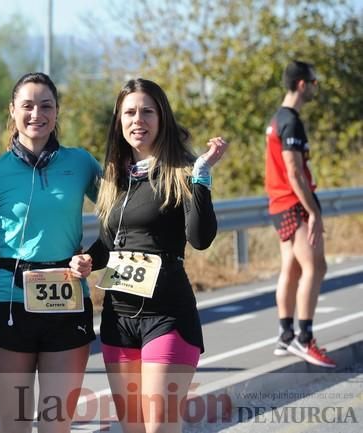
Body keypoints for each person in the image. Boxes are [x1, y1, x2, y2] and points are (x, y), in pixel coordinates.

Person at [69, 78, 227, 433]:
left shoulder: (182, 171)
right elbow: (111, 244)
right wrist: (88, 261)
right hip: (118, 319)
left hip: (167, 316)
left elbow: (200, 239)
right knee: (133, 427)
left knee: (159, 427)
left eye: (146, 112)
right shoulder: (115, 175)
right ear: (118, 120)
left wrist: (201, 178)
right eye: (129, 112)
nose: (137, 119)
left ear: (162, 118)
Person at [0, 72, 102, 433]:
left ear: (56, 112)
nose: (36, 113)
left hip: (67, 304)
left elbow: (122, 213)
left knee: (56, 425)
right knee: (16, 425)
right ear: (12, 110)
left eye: (46, 105)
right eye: (27, 105)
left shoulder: (81, 162)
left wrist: (96, 256)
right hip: (8, 306)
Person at [265, 60, 335, 368]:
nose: (315, 87)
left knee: (291, 270)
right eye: (314, 82)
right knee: (316, 267)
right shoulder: (290, 121)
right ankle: (304, 339)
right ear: (302, 84)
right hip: (294, 203)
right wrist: (313, 212)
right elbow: (294, 171)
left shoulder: (276, 119)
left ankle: (285, 335)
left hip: (279, 204)